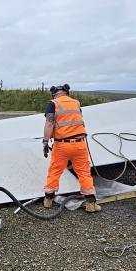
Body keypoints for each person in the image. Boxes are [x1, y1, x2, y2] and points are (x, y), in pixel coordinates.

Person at [42, 84, 101, 213]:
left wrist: (45, 142)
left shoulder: (53, 104)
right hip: (79, 144)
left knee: (55, 171)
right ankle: (91, 204)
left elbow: (49, 123)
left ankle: (48, 200)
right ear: (66, 92)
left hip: (62, 145)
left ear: (54, 94)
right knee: (84, 173)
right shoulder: (76, 103)